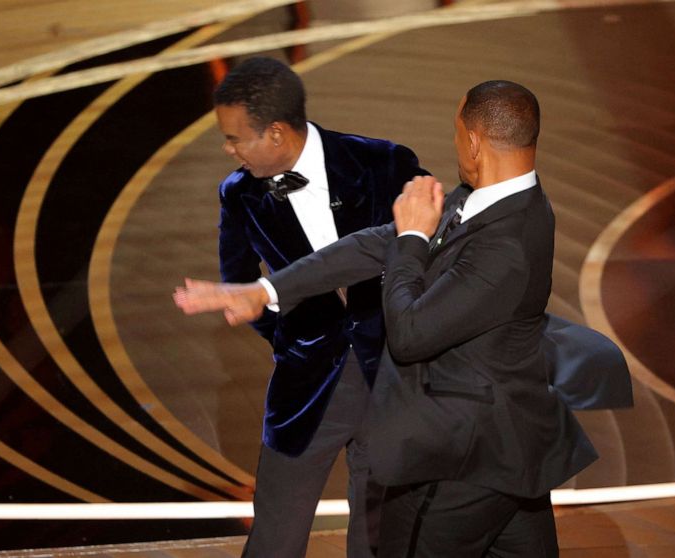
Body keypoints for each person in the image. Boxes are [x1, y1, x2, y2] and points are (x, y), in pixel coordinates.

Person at [178, 80, 605, 556]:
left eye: (456, 130)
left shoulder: (505, 244)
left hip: (469, 463)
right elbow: (372, 243)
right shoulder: (490, 201)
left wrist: (412, 241)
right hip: (512, 453)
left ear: (473, 142)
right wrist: (267, 290)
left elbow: (408, 333)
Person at [201, 56, 427, 558]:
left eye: (236, 138)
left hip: (394, 377)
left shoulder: (385, 163)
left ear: (277, 133)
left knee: (380, 539)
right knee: (276, 535)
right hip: (306, 386)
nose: (228, 149)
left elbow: (434, 251)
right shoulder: (238, 195)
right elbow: (239, 283)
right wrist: (291, 336)